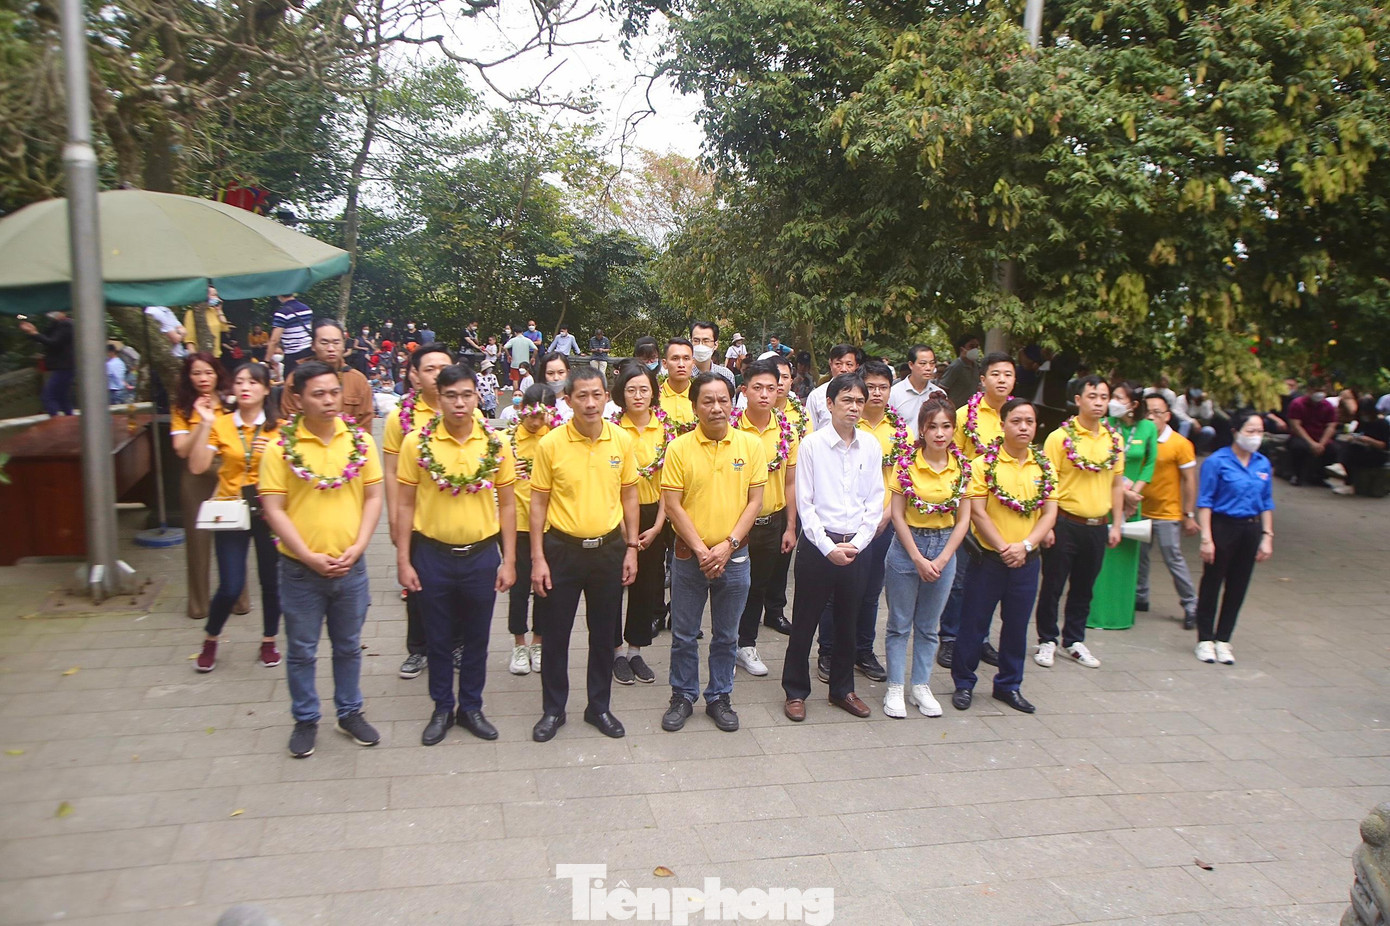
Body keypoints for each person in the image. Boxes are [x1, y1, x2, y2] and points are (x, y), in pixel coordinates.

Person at [259, 360, 385, 758]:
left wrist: (360, 545)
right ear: (296, 398)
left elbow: (373, 496)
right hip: (300, 570)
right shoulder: (282, 447)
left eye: (334, 392)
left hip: (352, 566)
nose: (330, 401)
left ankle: (349, 711)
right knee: (302, 649)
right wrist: (307, 555)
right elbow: (273, 508)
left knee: (348, 645)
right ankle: (305, 718)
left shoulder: (360, 442)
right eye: (318, 394)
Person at [395, 364, 517, 744]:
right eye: (451, 396)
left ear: (477, 397)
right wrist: (403, 559)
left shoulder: (496, 444)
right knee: (438, 636)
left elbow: (509, 505)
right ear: (439, 398)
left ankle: (471, 707)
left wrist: (510, 559)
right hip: (432, 554)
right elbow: (403, 504)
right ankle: (441, 708)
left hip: (481, 555)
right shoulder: (417, 443)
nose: (459, 403)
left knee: (478, 636)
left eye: (466, 395)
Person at [528, 366, 640, 742]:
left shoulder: (622, 441)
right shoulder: (551, 444)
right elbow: (538, 504)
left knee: (604, 634)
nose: (590, 403)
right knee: (556, 634)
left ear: (607, 397)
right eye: (582, 396)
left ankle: (599, 707)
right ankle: (553, 710)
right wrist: (538, 558)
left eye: (597, 395)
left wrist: (631, 548)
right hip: (561, 550)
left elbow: (629, 495)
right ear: (568, 400)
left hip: (608, 549)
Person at [660, 372, 767, 732]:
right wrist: (704, 550)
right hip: (690, 559)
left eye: (722, 400)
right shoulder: (678, 448)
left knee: (727, 635)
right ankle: (683, 694)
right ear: (694, 407)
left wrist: (728, 545)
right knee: (685, 634)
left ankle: (720, 696)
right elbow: (673, 505)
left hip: (734, 559)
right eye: (708, 400)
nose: (716, 407)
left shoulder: (750, 446)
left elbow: (755, 502)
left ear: (731, 403)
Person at [782, 373, 884, 722]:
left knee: (848, 621)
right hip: (817, 545)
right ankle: (795, 691)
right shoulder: (811, 445)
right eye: (847, 400)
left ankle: (843, 689)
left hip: (857, 546)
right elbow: (805, 502)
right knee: (805, 620)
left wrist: (855, 544)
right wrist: (828, 548)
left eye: (859, 401)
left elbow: (875, 501)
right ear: (830, 404)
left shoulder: (870, 445)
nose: (854, 408)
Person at [950, 398, 1058, 713]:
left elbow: (1050, 513)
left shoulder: (1043, 465)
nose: (1024, 427)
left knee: (1017, 625)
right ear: (1003, 424)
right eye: (1017, 421)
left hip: (1027, 560)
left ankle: (1009, 685)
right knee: (973, 622)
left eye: (1030, 422)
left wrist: (1024, 547)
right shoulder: (984, 464)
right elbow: (978, 514)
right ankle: (964, 682)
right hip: (989, 559)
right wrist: (1004, 548)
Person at [187, 362, 282, 672]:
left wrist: (274, 450)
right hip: (231, 509)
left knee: (272, 581)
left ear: (266, 389)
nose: (245, 387)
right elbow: (198, 467)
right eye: (239, 381)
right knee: (230, 584)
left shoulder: (279, 427)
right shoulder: (222, 423)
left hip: (268, 509)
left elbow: (294, 470)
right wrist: (204, 422)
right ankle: (211, 639)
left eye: (253, 382)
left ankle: (269, 640)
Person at [882, 396, 973, 718]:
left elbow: (964, 519)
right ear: (922, 429)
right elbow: (896, 514)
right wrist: (918, 558)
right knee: (899, 623)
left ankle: (921, 685)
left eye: (946, 426)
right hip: (908, 548)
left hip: (945, 547)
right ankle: (894, 685)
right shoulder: (907, 464)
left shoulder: (961, 466)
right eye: (932, 426)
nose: (940, 433)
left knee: (929, 626)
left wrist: (944, 558)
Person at [1034, 376, 1124, 670]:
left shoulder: (1114, 439)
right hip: (1064, 522)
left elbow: (1116, 485)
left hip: (1097, 524)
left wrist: (1117, 524)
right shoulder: (1060, 438)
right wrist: (1045, 526)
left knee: (1085, 585)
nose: (1099, 402)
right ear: (1078, 400)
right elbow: (1047, 483)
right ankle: (1047, 638)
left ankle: (1073, 639)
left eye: (1103, 397)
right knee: (1053, 583)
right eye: (1092, 396)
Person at [936, 352, 1016, 670]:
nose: (1002, 380)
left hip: (1006, 512)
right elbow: (952, 459)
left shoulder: (1017, 416)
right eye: (995, 374)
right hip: (969, 509)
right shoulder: (964, 415)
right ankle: (950, 638)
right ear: (982, 379)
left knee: (990, 580)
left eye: (1007, 374)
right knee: (959, 579)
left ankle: (980, 638)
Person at [818, 360, 895, 682]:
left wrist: (884, 516)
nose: (876, 393)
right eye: (870, 387)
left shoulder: (899, 430)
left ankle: (863, 650)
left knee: (869, 592)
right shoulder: (840, 428)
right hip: (840, 524)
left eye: (883, 387)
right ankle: (828, 651)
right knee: (832, 593)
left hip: (881, 524)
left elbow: (896, 480)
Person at [382, 344, 456, 681]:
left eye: (445, 366)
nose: (438, 373)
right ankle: (418, 649)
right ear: (415, 374)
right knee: (417, 586)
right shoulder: (402, 417)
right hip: (417, 517)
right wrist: (395, 519)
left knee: (457, 588)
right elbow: (391, 469)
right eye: (430, 368)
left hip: (455, 516)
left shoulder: (466, 409)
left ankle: (456, 644)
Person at [170, 352, 250, 622]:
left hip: (228, 471)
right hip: (195, 475)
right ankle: (199, 606)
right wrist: (203, 423)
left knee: (234, 534)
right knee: (197, 540)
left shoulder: (231, 401)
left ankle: (239, 599)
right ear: (188, 377)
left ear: (217, 374)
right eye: (196, 373)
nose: (203, 378)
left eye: (208, 372)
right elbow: (181, 450)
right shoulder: (182, 407)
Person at [731, 359, 799, 678]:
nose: (764, 394)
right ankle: (724, 642)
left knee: (758, 585)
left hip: (771, 521)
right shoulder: (729, 428)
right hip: (734, 522)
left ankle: (746, 644)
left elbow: (790, 481)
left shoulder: (786, 430)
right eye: (757, 388)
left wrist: (790, 526)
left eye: (771, 388)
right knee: (730, 586)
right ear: (744, 391)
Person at [1194, 411, 1274, 664]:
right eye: (1250, 431)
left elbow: (1266, 502)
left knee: (1238, 585)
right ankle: (1205, 638)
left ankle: (1224, 639)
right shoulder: (1217, 462)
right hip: (1223, 525)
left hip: (1250, 528)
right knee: (1212, 582)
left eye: (1260, 432)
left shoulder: (1263, 464)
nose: (1255, 437)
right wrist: (1206, 537)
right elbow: (1205, 501)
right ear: (1236, 432)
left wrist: (1267, 535)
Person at [610, 362, 672, 686]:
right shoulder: (610, 429)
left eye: (644, 389)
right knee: (612, 585)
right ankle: (615, 651)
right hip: (616, 518)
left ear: (653, 393)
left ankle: (635, 650)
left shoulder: (665, 429)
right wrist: (623, 528)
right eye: (631, 389)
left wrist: (660, 524)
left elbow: (671, 483)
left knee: (647, 585)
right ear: (621, 393)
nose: (637, 395)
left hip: (654, 517)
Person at [1088, 380, 1157, 630]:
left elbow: (1149, 463)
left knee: (1126, 558)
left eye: (1118, 397)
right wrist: (1123, 492)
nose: (1112, 402)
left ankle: (1120, 614)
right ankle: (1095, 614)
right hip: (1107, 497)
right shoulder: (1107, 426)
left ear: (1134, 404)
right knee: (1101, 559)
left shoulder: (1148, 428)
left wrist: (1134, 492)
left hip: (1133, 504)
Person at [505, 384, 558, 676]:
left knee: (545, 588)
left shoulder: (555, 440)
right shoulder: (508, 439)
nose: (535, 422)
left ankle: (538, 642)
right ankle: (518, 644)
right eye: (531, 415)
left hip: (550, 526)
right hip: (518, 526)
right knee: (518, 586)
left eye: (542, 416)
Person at [1138, 392, 1200, 629]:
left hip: (1167, 513)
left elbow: (1190, 480)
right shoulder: (1139, 439)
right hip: (1141, 509)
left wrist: (1189, 514)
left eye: (1157, 412)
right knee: (1140, 556)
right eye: (1148, 412)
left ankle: (1191, 605)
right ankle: (1140, 596)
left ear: (1168, 415)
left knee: (1172, 557)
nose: (1152, 417)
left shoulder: (1180, 444)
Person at [279, 319, 375, 430]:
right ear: (313, 345)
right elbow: (289, 422)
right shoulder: (296, 378)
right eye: (324, 343)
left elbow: (365, 425)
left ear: (343, 345)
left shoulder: (358, 380)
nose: (331, 349)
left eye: (336, 342)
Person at [18, 310, 75, 416]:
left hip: (64, 366)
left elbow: (53, 342)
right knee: (62, 397)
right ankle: (69, 421)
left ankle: (57, 421)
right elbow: (46, 338)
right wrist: (33, 332)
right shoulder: (57, 324)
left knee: (48, 396)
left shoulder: (66, 324)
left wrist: (34, 333)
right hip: (63, 366)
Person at [1330, 397, 1389, 495]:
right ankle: (1346, 475)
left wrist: (1369, 440)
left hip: (1377, 453)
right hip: (1362, 449)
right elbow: (1357, 434)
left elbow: (1384, 446)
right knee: (1345, 447)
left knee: (1351, 453)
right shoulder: (1362, 422)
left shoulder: (1382, 424)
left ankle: (1350, 481)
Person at [1285, 379, 1338, 486]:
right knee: (1298, 447)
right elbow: (1296, 426)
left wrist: (1322, 444)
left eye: (1322, 390)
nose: (1320, 393)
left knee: (1334, 450)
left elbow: (1331, 426)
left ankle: (1319, 476)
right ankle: (1296, 475)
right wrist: (1311, 443)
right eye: (1317, 390)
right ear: (1309, 390)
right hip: (1301, 437)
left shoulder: (1328, 406)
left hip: (1320, 438)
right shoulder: (1297, 404)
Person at [889, 344, 945, 436]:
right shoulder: (894, 393)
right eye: (923, 363)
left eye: (932, 363)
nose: (928, 368)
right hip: (902, 448)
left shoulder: (939, 394)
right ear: (911, 365)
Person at [806, 344, 864, 431]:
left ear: (857, 366)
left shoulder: (863, 393)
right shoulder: (816, 396)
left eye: (849, 364)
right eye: (838, 364)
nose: (844, 369)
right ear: (830, 363)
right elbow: (810, 430)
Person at [265, 294, 315, 378]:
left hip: (293, 355)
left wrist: (266, 361)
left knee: (290, 383)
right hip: (309, 352)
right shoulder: (307, 309)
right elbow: (310, 328)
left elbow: (274, 340)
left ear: (279, 295)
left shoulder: (282, 313)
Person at [938, 333, 984, 409]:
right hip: (955, 411)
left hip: (971, 411)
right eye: (971, 346)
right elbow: (942, 389)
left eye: (976, 347)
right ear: (962, 349)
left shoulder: (976, 367)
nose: (975, 350)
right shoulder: (956, 367)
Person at [184, 286, 232, 357]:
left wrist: (219, 310)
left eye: (217, 295)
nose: (216, 297)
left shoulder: (214, 311)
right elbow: (189, 339)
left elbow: (225, 328)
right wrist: (194, 357)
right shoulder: (192, 313)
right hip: (201, 354)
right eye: (213, 295)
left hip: (216, 355)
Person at [689, 320, 737, 390]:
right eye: (696, 340)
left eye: (706, 341)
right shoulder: (684, 373)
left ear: (715, 345)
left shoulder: (726, 375)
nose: (700, 345)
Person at [660, 338, 697, 429]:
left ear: (693, 363)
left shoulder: (701, 397)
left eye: (686, 358)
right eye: (675, 358)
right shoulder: (653, 397)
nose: (681, 364)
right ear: (665, 363)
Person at [539, 352, 574, 421]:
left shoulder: (576, 401)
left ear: (568, 373)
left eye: (561, 372)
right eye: (550, 373)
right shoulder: (537, 403)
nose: (556, 378)